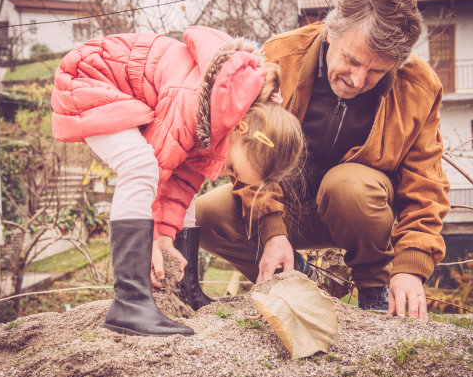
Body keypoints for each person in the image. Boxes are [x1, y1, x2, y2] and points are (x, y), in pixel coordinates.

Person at [196, 0, 450, 322]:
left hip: (361, 213)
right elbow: (248, 148)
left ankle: (373, 289)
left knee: (348, 186)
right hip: (286, 205)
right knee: (206, 215)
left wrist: (410, 268)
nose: (358, 80)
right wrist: (272, 232)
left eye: (376, 71)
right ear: (331, 33)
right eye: (351, 60)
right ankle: (296, 275)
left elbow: (427, 185)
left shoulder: (419, 87)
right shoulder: (279, 56)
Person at [51, 26, 306, 336]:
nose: (230, 175)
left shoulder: (220, 120)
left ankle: (184, 290)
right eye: (235, 168)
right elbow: (159, 169)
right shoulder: (193, 100)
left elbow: (181, 186)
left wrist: (165, 237)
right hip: (91, 77)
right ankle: (130, 302)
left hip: (123, 88)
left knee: (187, 197)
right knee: (140, 166)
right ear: (240, 129)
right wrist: (153, 240)